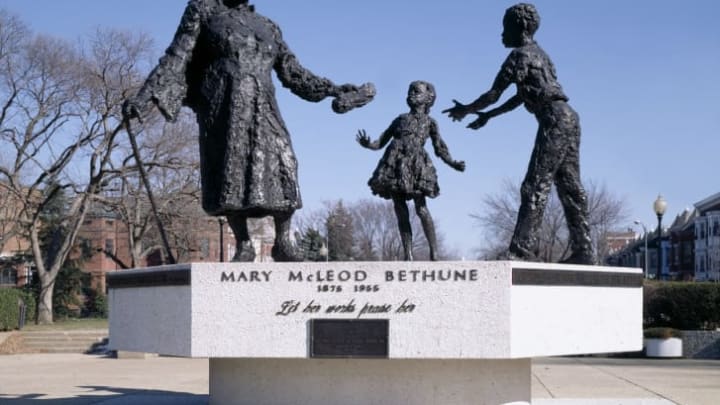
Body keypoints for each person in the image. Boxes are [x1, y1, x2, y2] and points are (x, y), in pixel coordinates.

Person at [123, 0, 374, 262]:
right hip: (224, 106)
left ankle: (283, 242)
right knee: (232, 171)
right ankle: (244, 243)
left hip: (264, 105)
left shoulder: (268, 26)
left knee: (284, 163)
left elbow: (294, 73)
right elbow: (177, 56)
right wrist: (144, 97)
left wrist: (334, 89)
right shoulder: (204, 11)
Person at [443, 3, 593, 264]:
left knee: (535, 185)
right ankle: (585, 251)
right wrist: (488, 117)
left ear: (519, 28)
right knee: (570, 186)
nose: (502, 34)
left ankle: (521, 250)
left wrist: (467, 109)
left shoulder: (519, 56)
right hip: (569, 117)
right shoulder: (541, 55)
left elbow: (494, 94)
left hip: (554, 119)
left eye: (506, 28)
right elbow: (520, 97)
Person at [358, 81, 465, 261]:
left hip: (417, 167)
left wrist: (452, 163)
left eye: (416, 92)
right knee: (400, 209)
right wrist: (368, 144)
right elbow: (380, 142)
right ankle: (407, 254)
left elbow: (440, 147)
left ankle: (434, 252)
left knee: (421, 209)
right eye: (409, 91)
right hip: (394, 166)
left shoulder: (430, 122)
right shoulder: (399, 119)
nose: (411, 94)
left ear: (428, 98)